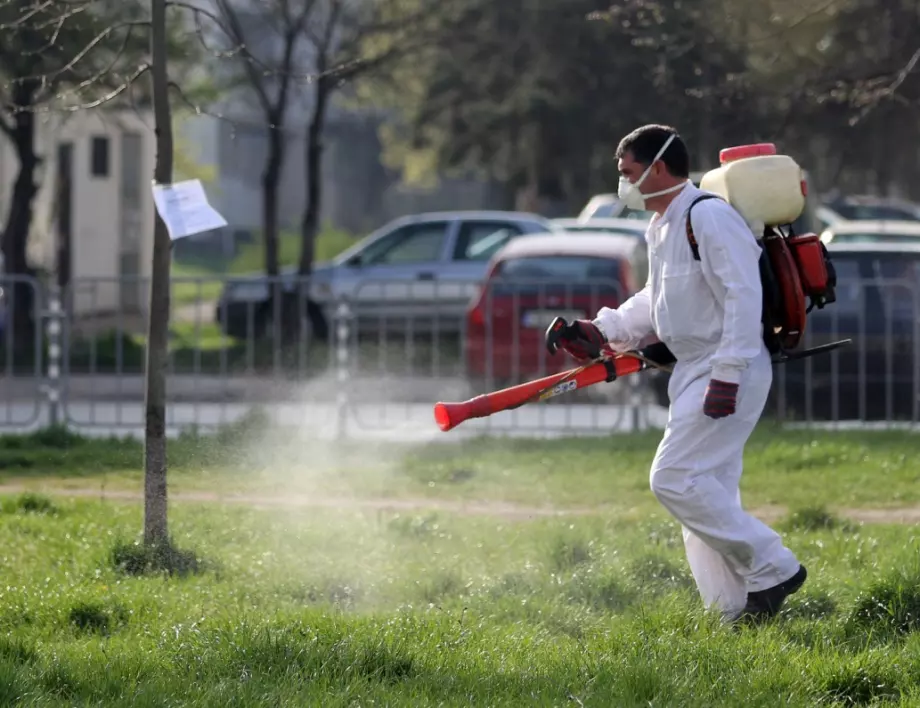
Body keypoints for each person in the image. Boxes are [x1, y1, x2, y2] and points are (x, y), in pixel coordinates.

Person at [552, 124, 807, 625]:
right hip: (695, 368)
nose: (623, 184)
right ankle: (734, 613)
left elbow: (742, 296)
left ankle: (775, 568)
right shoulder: (663, 224)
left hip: (727, 365)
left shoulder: (708, 217)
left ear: (658, 169)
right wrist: (602, 329)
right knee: (704, 498)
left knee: (673, 479)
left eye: (628, 173)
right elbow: (657, 299)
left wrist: (728, 376)